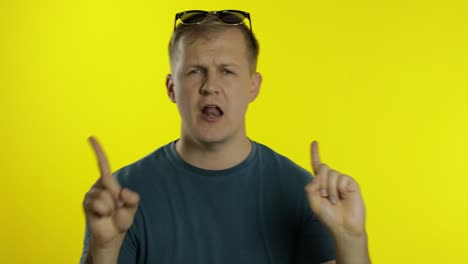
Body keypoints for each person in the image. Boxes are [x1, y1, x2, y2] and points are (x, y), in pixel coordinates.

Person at [80, 10, 371, 264]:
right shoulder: (120, 197)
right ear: (171, 88)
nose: (210, 86)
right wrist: (104, 249)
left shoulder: (309, 195)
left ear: (253, 86)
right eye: (195, 71)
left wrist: (351, 240)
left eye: (227, 71)